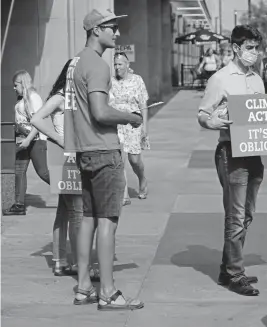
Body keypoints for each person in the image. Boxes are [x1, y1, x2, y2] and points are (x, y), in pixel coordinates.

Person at [197, 25, 267, 296]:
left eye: (257, 48)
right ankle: (236, 273)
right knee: (235, 215)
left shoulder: (257, 79)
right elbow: (202, 114)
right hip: (230, 152)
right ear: (236, 48)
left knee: (246, 214)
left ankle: (227, 268)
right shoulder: (220, 79)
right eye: (250, 48)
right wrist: (214, 121)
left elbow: (264, 113)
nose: (255, 53)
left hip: (254, 152)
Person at [64, 8, 144, 310]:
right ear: (96, 30)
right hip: (104, 149)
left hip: (84, 151)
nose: (117, 33)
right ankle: (108, 292)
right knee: (107, 221)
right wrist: (130, 117)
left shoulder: (76, 64)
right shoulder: (98, 65)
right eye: (112, 27)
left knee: (86, 220)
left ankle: (83, 286)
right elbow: (100, 112)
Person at [31, 60, 100, 279]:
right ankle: (82, 265)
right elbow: (36, 118)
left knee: (64, 212)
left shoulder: (72, 95)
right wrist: (61, 140)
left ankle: (60, 261)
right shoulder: (61, 97)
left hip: (67, 160)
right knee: (78, 213)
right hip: (68, 160)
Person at [3, 70, 50, 216]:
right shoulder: (21, 99)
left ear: (23, 83)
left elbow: (38, 122)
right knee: (19, 172)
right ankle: (19, 205)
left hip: (35, 141)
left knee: (43, 172)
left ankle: (72, 191)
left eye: (16, 84)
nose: (13, 87)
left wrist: (29, 139)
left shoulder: (33, 97)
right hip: (22, 141)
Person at [111, 52, 149, 205]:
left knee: (134, 160)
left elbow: (143, 105)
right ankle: (123, 194)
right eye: (115, 64)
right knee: (120, 160)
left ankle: (142, 178)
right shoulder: (111, 82)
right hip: (117, 124)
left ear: (127, 65)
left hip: (134, 123)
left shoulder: (137, 80)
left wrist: (145, 126)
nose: (117, 67)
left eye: (120, 64)